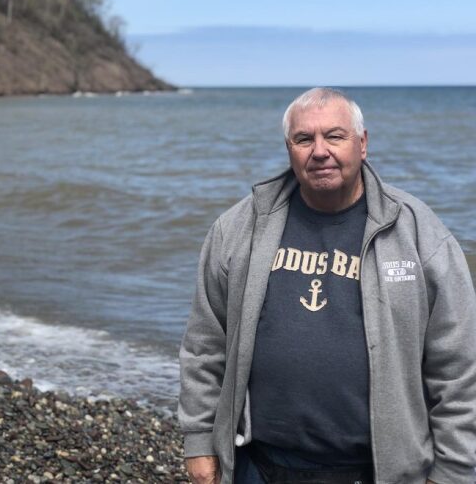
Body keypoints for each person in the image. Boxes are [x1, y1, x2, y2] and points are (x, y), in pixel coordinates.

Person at [178, 87, 476, 484]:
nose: (319, 151)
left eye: (335, 136)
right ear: (289, 148)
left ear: (363, 144)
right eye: (304, 139)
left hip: (375, 471)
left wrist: (453, 470)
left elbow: (458, 364)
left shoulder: (419, 233)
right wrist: (199, 441)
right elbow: (204, 345)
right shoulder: (237, 229)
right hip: (259, 466)